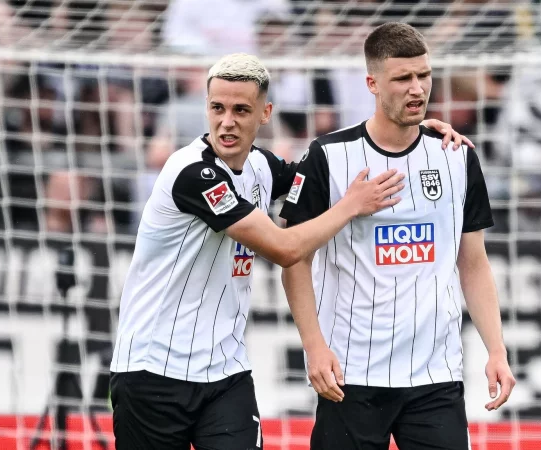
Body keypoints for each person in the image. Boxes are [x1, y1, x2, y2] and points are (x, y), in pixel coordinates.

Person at [108, 52, 474, 450]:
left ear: (265, 113)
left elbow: (329, 163)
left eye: (241, 110)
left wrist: (408, 132)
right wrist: (351, 206)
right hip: (152, 372)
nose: (226, 121)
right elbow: (285, 249)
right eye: (217, 108)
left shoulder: (262, 166)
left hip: (225, 373)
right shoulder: (194, 174)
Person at [279, 22, 516, 450]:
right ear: (371, 83)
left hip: (435, 377)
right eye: (402, 78)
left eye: (424, 76)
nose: (417, 89)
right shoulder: (329, 157)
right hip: (350, 374)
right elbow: (295, 258)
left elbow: (474, 262)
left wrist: (495, 349)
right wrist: (313, 347)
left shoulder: (456, 156)